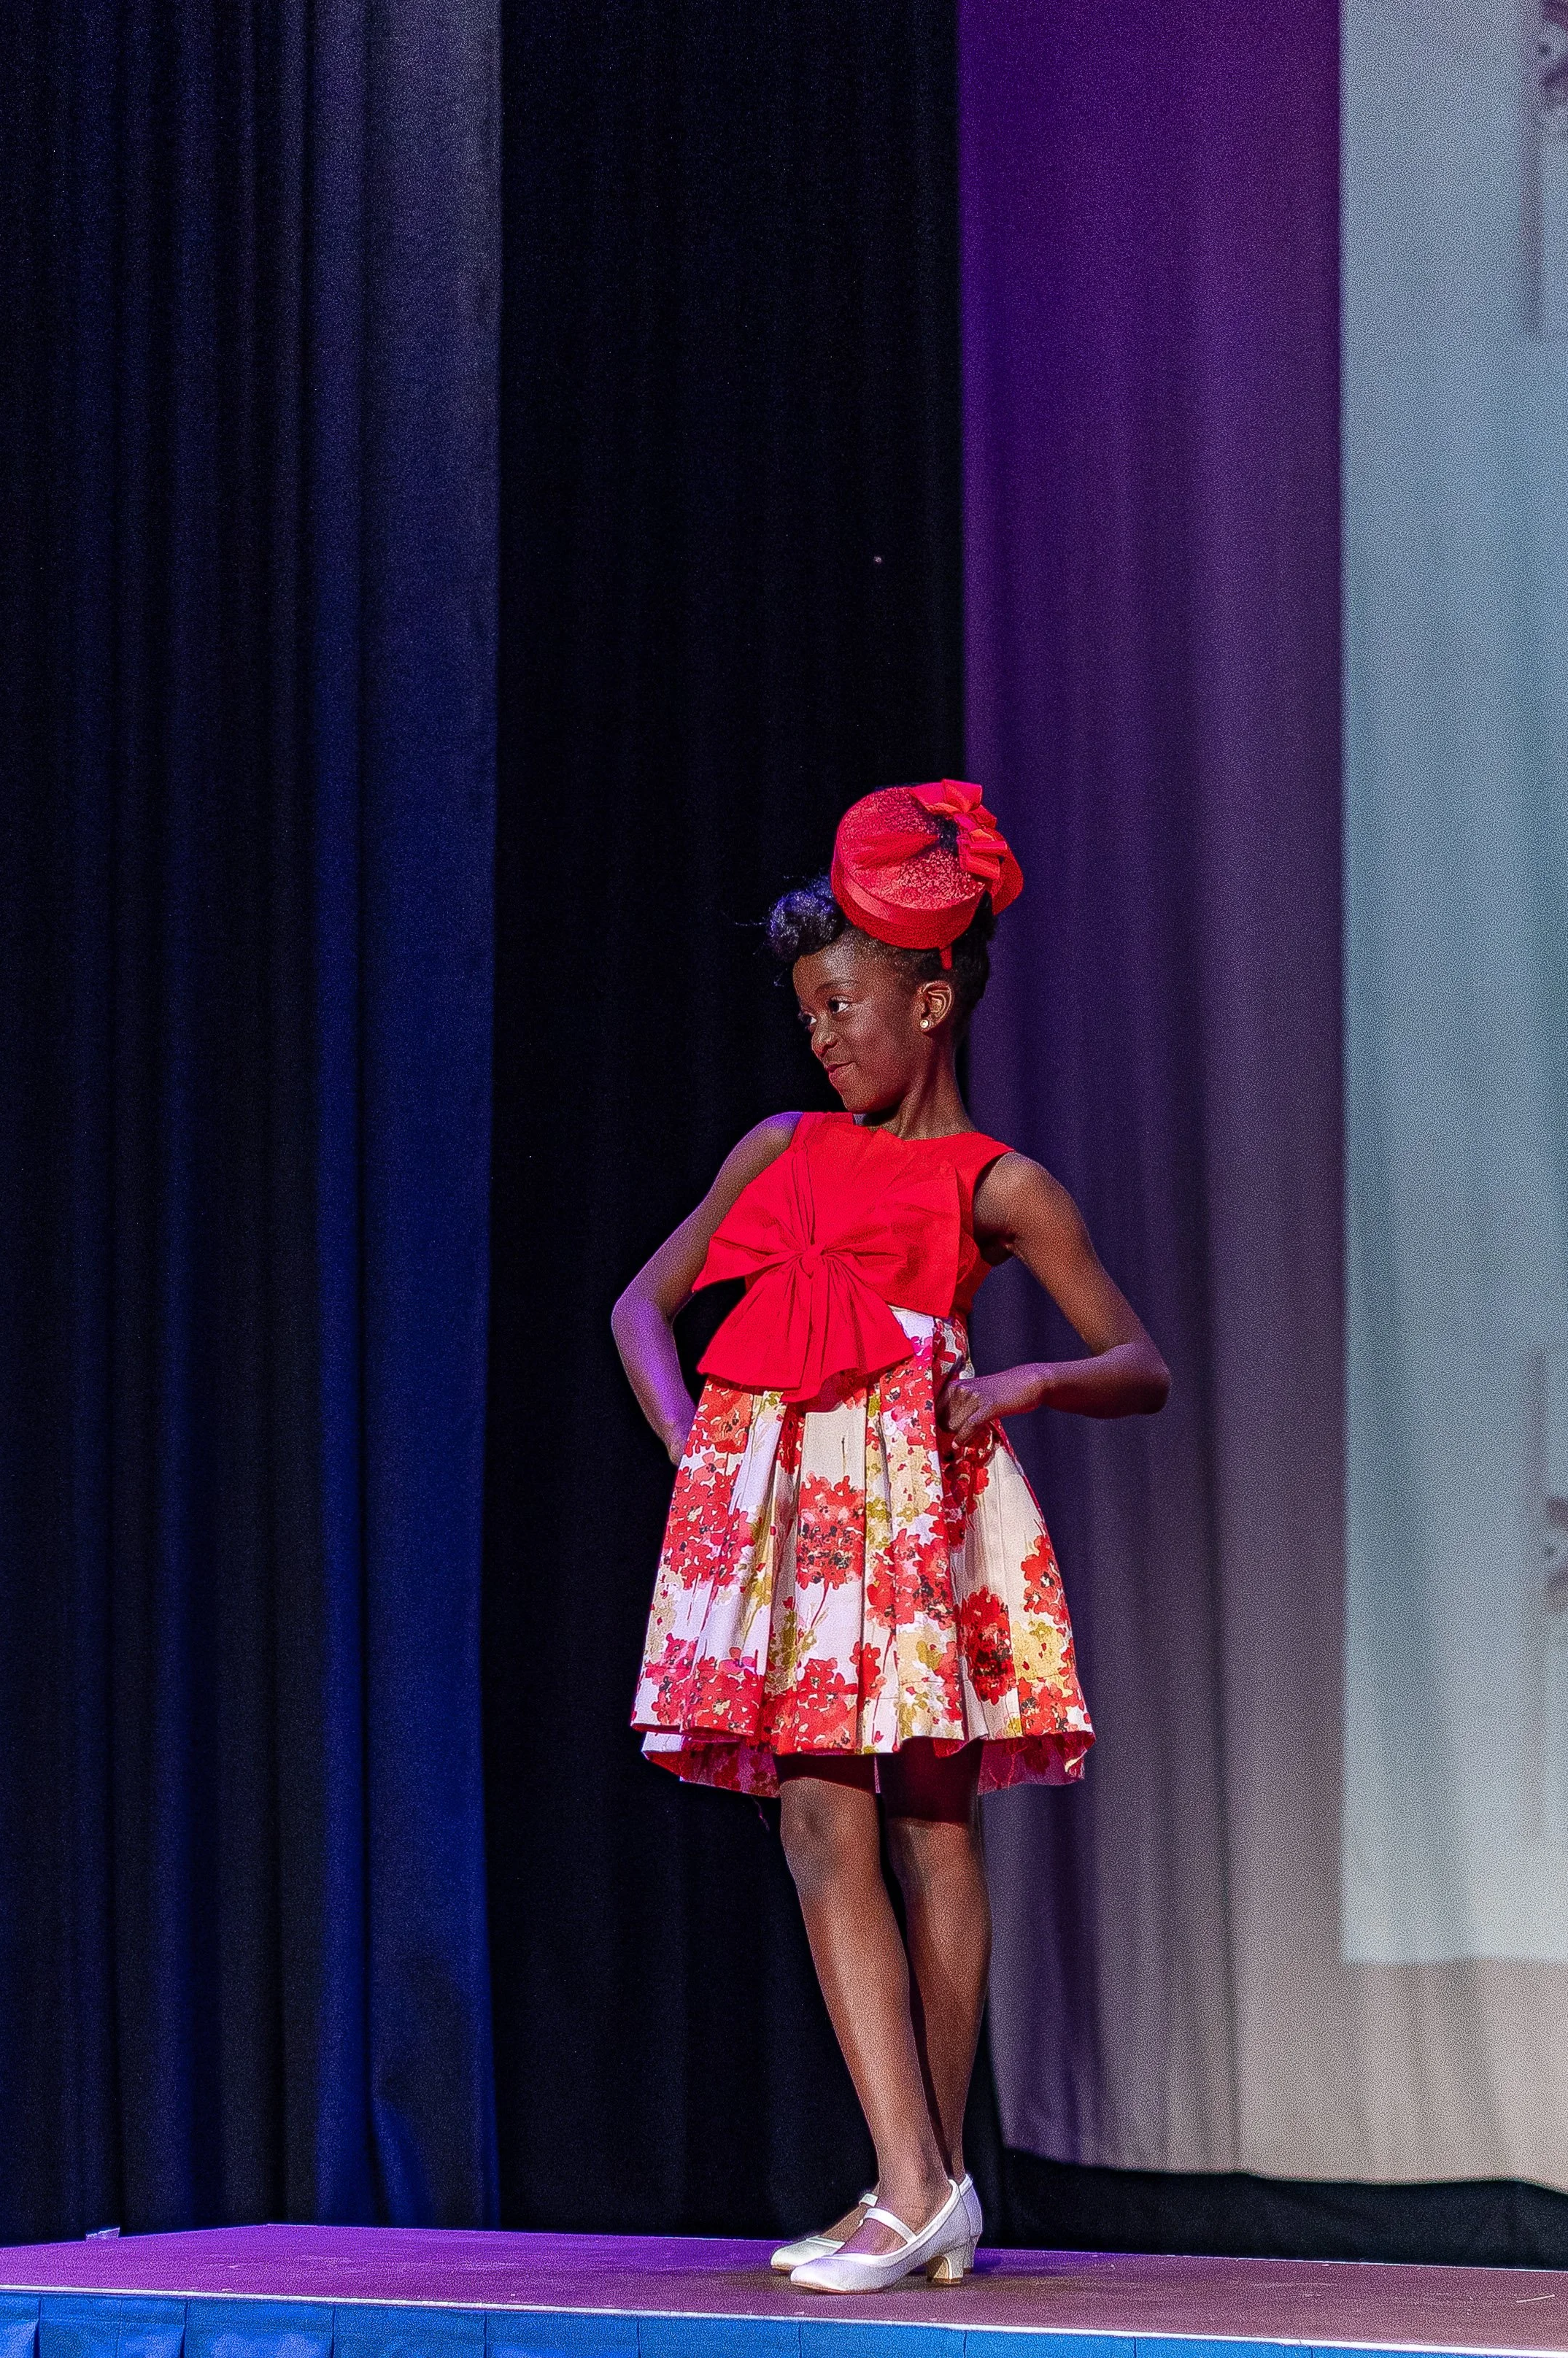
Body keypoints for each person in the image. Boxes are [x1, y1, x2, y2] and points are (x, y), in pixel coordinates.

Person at [611, 782, 1170, 2293]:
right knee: (815, 1813)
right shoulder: (780, 1148)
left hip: (918, 1503)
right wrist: (699, 1454)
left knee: (931, 1824)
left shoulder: (997, 1184)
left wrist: (1029, 1380)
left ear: (931, 1000)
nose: (825, 1036)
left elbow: (1142, 1361)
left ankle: (915, 2182)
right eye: (807, 1014)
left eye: (847, 1003)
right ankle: (918, 2181)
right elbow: (638, 1308)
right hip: (793, 1511)